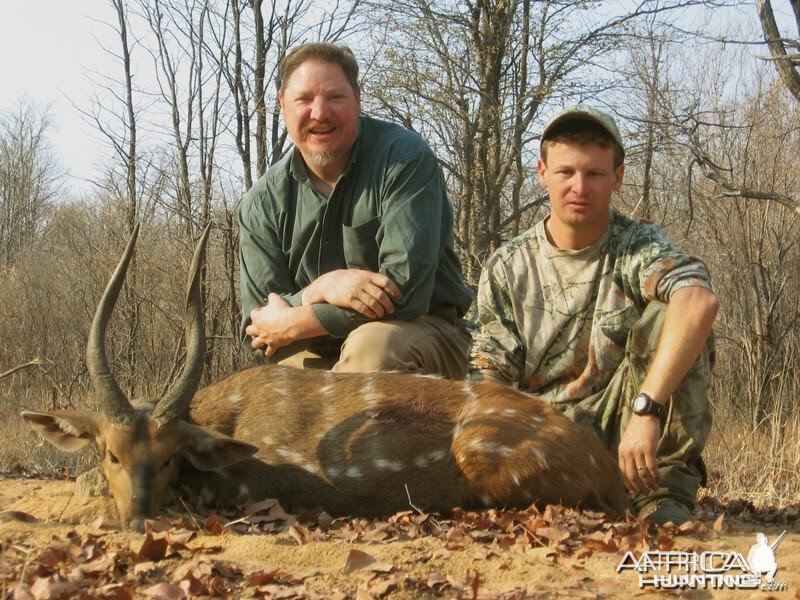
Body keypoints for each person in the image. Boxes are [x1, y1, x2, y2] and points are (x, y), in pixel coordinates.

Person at [470, 105, 718, 524]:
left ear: (617, 178)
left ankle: (663, 493)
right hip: (545, 439)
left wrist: (646, 410)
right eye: (565, 172)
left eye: (595, 174)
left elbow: (699, 301)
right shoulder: (507, 266)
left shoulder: (637, 245)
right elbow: (488, 382)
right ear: (542, 173)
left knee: (674, 311)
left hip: (629, 433)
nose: (579, 187)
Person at [239, 42, 473, 379]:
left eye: (335, 97)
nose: (319, 113)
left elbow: (405, 293)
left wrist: (298, 317)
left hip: (424, 332)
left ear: (358, 99)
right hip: (313, 348)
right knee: (269, 391)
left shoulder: (404, 159)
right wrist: (319, 290)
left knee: (369, 350)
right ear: (281, 104)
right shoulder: (260, 202)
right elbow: (260, 326)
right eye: (304, 99)